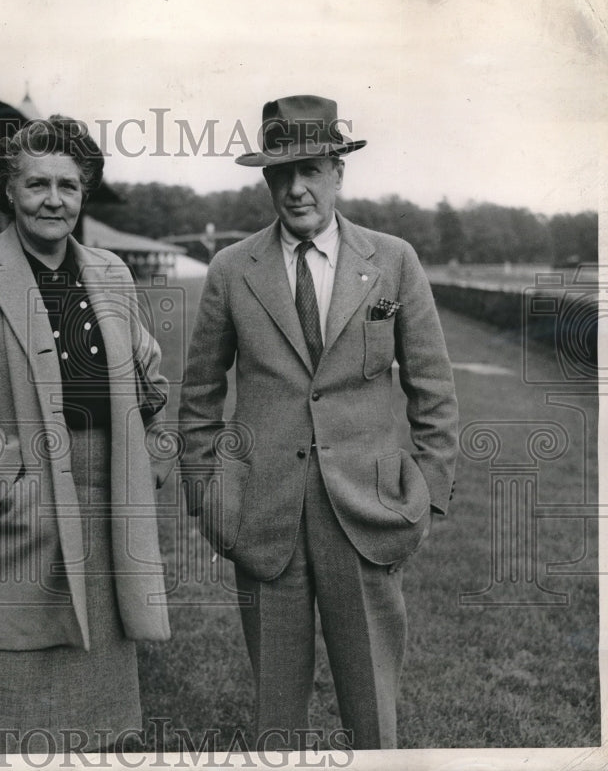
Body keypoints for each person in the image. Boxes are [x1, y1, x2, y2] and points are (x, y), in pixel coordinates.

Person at [179, 95, 458, 750]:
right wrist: (209, 494)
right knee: (276, 715)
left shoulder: (393, 260)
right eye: (280, 173)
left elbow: (434, 388)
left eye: (310, 169)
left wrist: (427, 493)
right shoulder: (231, 269)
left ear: (338, 172)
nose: (295, 188)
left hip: (367, 511)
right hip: (262, 513)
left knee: (373, 711)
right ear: (266, 180)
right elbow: (198, 392)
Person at [0, 115, 172, 754]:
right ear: (8, 189)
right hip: (18, 518)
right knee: (1, 729)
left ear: (84, 191)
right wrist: (14, 487)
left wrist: (146, 439)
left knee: (97, 737)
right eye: (36, 184)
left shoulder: (111, 274)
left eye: (68, 184)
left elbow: (149, 385)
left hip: (104, 515)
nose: (53, 200)